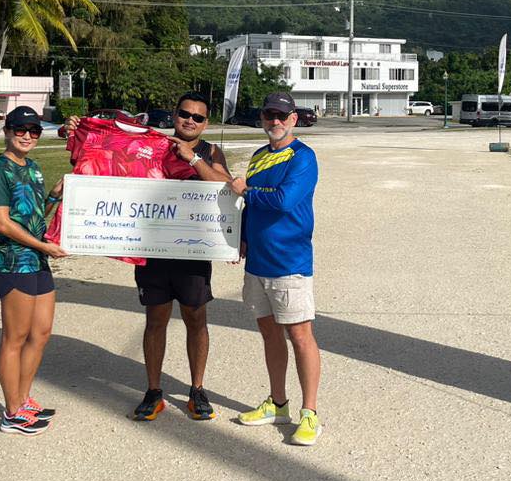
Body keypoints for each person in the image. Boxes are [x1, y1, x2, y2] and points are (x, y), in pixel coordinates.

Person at [63, 94, 232, 422]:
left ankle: (197, 389)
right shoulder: (153, 144)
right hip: (153, 250)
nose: (190, 121)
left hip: (192, 251)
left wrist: (193, 159)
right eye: (184, 114)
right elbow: (105, 152)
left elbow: (226, 186)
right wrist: (75, 130)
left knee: (196, 318)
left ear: (206, 123)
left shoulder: (210, 152)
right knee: (156, 319)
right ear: (175, 114)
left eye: (198, 118)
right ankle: (154, 390)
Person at [230, 91, 323, 446]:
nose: (275, 121)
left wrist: (247, 190)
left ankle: (310, 413)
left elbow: (284, 201)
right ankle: (278, 403)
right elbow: (248, 207)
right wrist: (240, 238)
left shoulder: (303, 157)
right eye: (269, 115)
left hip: (290, 264)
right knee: (270, 336)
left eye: (282, 116)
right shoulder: (257, 156)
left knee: (300, 337)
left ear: (294, 119)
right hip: (258, 264)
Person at [0, 105, 67, 436]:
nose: (28, 136)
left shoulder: (32, 168)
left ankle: (23, 397)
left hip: (38, 260)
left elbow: (34, 217)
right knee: (14, 337)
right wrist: (43, 245)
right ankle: (12, 412)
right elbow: (3, 223)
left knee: (41, 333)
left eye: (34, 131)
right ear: (8, 131)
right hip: (15, 262)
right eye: (21, 130)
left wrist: (55, 196)